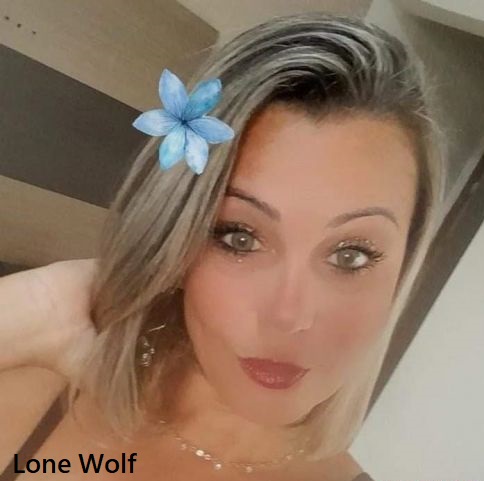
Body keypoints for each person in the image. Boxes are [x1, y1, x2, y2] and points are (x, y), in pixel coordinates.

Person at [0, 12, 446, 481]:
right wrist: (28, 309)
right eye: (240, 237)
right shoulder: (44, 386)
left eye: (351, 255)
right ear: (177, 236)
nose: (289, 316)